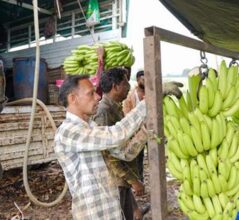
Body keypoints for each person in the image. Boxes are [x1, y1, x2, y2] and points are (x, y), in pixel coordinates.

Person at [55, 72, 182, 219]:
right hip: (93, 214)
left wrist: (145, 132)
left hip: (111, 210)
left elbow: (123, 152)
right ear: (73, 98)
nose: (97, 97)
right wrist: (150, 101)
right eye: (91, 94)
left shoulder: (91, 127)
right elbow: (115, 136)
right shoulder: (68, 132)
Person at [92, 68, 147, 220]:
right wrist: (133, 180)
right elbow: (107, 154)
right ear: (115, 86)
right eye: (125, 83)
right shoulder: (103, 111)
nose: (129, 87)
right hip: (114, 181)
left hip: (121, 181)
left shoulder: (115, 107)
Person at [123, 70, 145, 182]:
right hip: (136, 132)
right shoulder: (131, 96)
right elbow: (127, 113)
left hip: (149, 130)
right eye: (142, 79)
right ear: (137, 80)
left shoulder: (150, 94)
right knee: (137, 157)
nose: (145, 81)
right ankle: (139, 180)